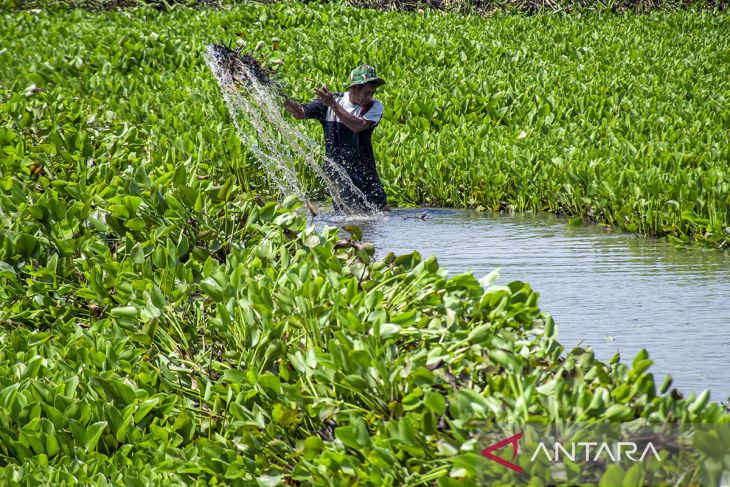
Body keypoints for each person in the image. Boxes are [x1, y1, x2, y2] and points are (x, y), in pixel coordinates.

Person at [283, 64, 389, 212]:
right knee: (348, 218)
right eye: (366, 92)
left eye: (372, 92)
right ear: (354, 88)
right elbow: (300, 113)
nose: (369, 96)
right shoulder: (331, 101)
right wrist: (283, 98)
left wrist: (332, 104)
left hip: (366, 173)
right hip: (338, 175)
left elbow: (358, 126)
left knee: (382, 213)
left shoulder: (374, 107)